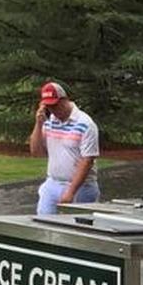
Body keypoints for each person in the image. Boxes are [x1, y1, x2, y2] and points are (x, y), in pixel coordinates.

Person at [29, 80, 100, 216]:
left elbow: (87, 160)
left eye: (55, 105)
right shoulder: (49, 122)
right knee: (44, 225)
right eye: (48, 106)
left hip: (81, 187)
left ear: (64, 100)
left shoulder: (85, 123)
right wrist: (38, 124)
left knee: (78, 230)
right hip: (53, 182)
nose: (53, 110)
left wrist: (71, 191)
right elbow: (36, 152)